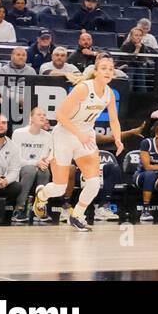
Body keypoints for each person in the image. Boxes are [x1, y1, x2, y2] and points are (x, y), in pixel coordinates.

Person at [32, 55, 124, 231]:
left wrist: (118, 138)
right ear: (95, 72)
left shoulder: (109, 93)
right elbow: (60, 115)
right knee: (59, 187)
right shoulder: (83, 89)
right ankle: (42, 194)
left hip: (86, 135)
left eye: (111, 69)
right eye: (103, 68)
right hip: (65, 134)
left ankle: (77, 215)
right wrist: (78, 134)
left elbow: (114, 120)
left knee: (94, 183)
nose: (107, 71)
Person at [10, 109, 53, 223]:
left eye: (44, 115)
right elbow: (16, 159)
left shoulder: (48, 136)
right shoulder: (18, 133)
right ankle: (20, 208)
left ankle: (40, 208)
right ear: (31, 118)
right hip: (21, 168)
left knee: (45, 171)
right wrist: (35, 163)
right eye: (39, 114)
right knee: (30, 170)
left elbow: (49, 155)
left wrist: (46, 161)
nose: (43, 117)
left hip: (39, 168)